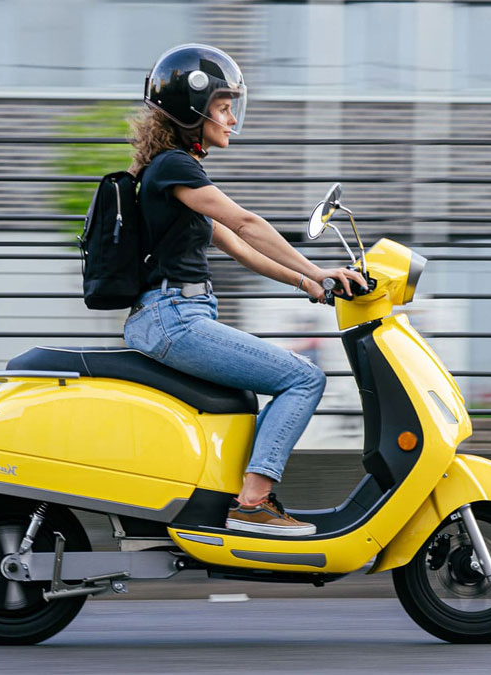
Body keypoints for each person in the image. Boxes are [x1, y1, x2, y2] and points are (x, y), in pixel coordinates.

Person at [123, 44, 366, 537]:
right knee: (303, 379)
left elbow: (236, 244)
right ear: (194, 109)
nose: (232, 117)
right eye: (223, 105)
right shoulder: (173, 167)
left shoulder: (174, 174)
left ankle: (227, 497)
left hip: (177, 315)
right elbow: (247, 222)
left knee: (253, 398)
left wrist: (305, 283)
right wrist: (319, 270)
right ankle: (252, 503)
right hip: (175, 318)